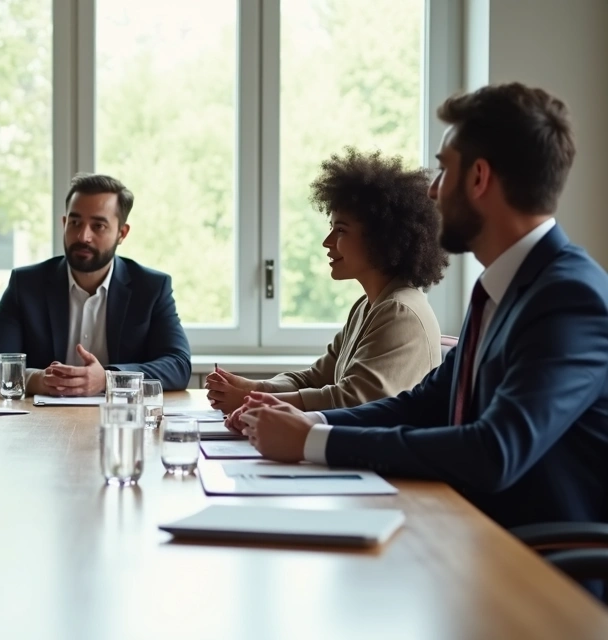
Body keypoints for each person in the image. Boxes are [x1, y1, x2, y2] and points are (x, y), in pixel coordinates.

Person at [240, 83, 608, 532]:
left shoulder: (569, 296)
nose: (432, 191)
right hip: (471, 535)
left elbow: (494, 451)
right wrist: (308, 420)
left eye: (442, 170)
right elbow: (423, 404)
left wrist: (318, 440)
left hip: (536, 566)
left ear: (478, 178)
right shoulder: (502, 287)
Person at [206, 149, 446, 415]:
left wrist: (255, 401)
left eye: (341, 230)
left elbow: (353, 400)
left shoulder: (399, 312)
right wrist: (256, 388)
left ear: (381, 238)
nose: (327, 242)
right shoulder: (368, 307)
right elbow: (314, 379)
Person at [0, 173, 191, 395]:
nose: (83, 236)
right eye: (75, 222)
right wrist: (36, 380)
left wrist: (108, 379)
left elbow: (178, 365)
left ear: (121, 233)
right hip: (43, 423)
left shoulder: (151, 287)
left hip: (120, 421)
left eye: (98, 226)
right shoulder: (27, 285)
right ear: (64, 223)